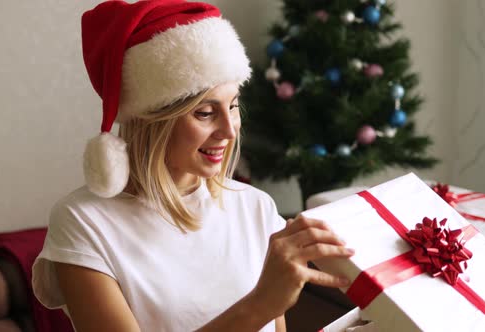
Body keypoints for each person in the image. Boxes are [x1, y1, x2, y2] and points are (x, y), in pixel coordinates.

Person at [31, 1, 355, 331]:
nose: (229, 130)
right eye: (204, 112)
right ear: (151, 121)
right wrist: (260, 304)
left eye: (233, 106)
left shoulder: (255, 208)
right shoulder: (83, 221)